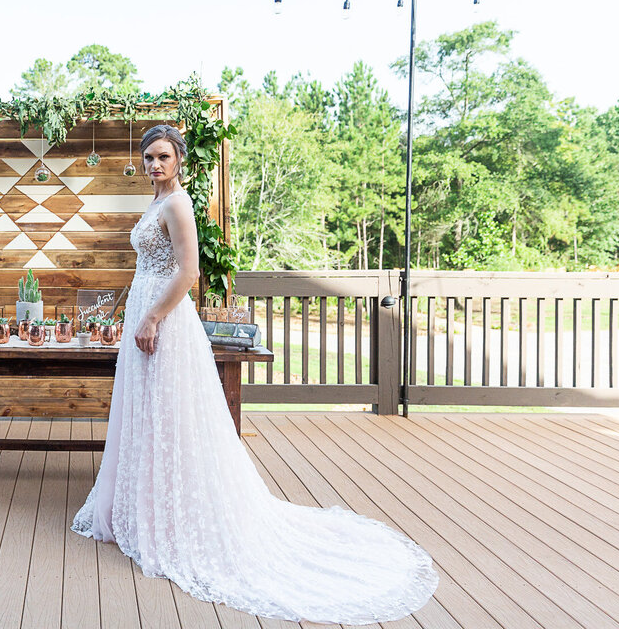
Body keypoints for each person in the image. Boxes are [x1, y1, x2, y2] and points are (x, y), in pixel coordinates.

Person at [70, 124, 438, 625]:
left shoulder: (178, 204)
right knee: (146, 415)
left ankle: (172, 521)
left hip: (165, 320)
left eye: (162, 157)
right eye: (148, 158)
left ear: (179, 160)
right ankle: (143, 509)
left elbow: (189, 271)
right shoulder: (155, 202)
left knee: (170, 417)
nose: (154, 165)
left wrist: (153, 316)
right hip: (144, 309)